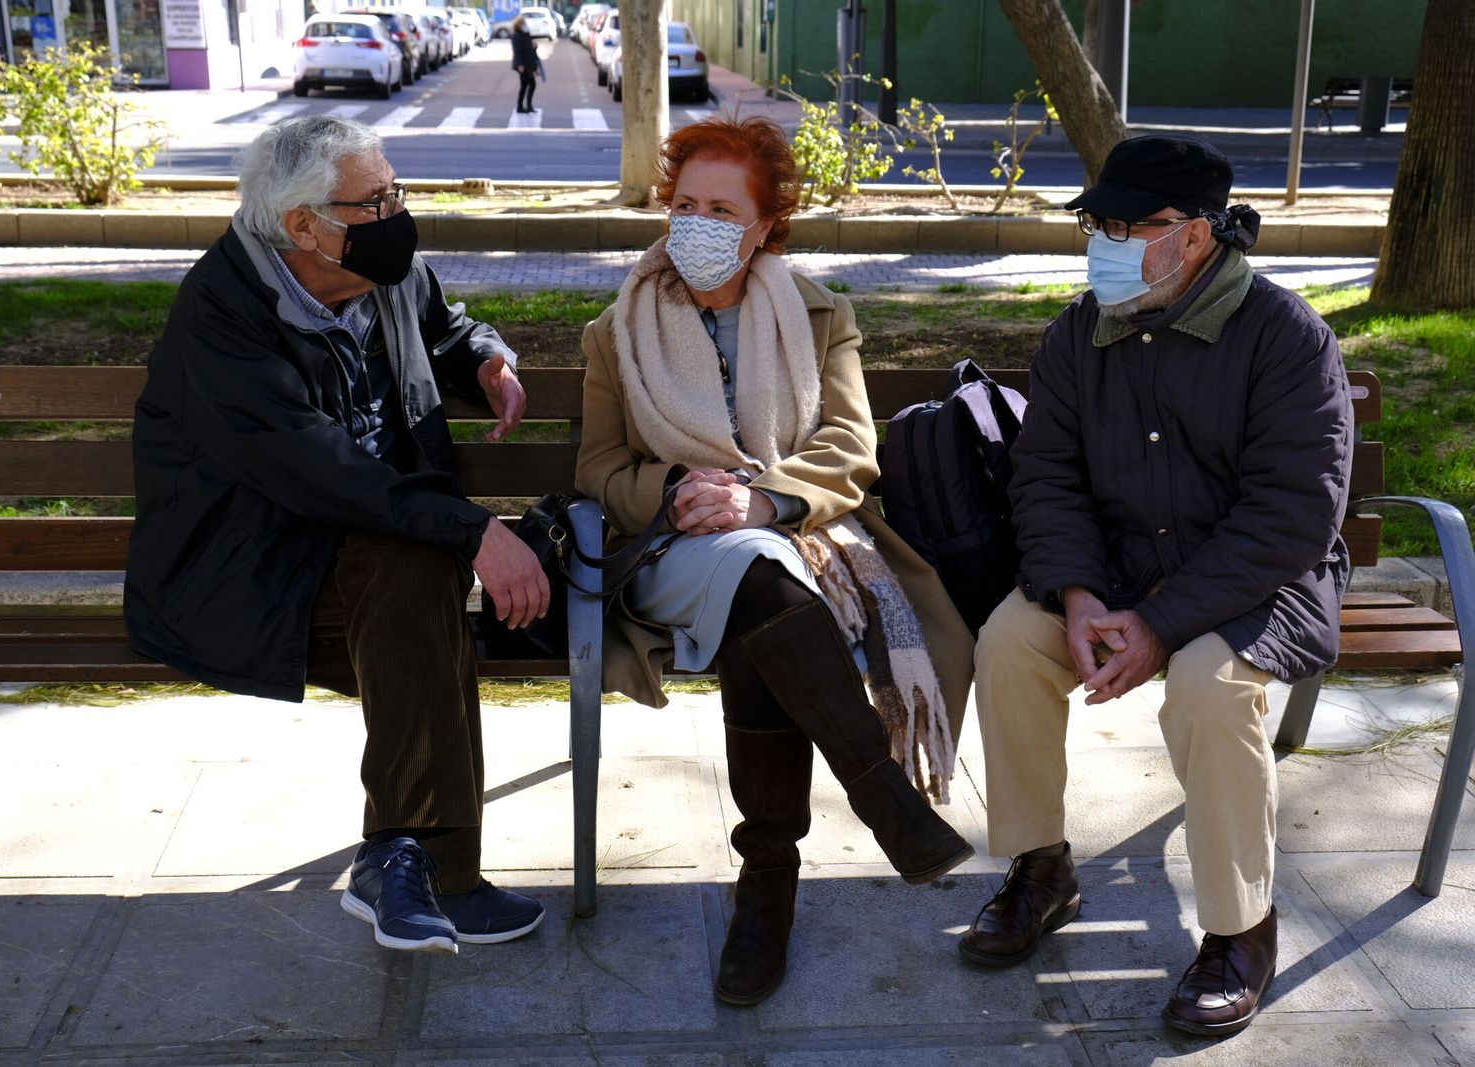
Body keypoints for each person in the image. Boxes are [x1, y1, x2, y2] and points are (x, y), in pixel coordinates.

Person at [575, 116, 977, 1006]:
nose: (696, 223)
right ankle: (883, 801)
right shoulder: (617, 329)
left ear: (765, 226)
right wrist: (677, 486)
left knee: (765, 591)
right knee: (762, 578)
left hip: (795, 539)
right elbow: (598, 469)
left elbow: (849, 444)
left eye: (723, 208)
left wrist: (764, 498)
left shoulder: (821, 312)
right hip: (671, 551)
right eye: (684, 204)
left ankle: (768, 889)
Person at [124, 116, 549, 957]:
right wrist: (475, 531)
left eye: (396, 190)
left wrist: (486, 361)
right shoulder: (223, 312)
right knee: (421, 581)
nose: (398, 212)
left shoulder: (377, 267)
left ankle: (405, 861)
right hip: (257, 576)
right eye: (376, 199)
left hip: (375, 558)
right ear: (303, 226)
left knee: (416, 574)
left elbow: (444, 324)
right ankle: (439, 872)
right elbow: (318, 469)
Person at [961, 134, 1352, 1036]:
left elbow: (1293, 516)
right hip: (1116, 573)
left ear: (1199, 236)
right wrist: (1075, 595)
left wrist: (1163, 623)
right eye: (1101, 220)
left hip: (1259, 581)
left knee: (1209, 687)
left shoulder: (1286, 337)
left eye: (1135, 224)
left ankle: (1239, 926)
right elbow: (1046, 478)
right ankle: (1041, 865)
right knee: (1009, 646)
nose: (1108, 238)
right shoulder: (1075, 334)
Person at [510, 19, 538, 114]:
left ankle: (526, 106)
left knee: (529, 85)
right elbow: (517, 52)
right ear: (519, 25)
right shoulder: (517, 36)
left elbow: (528, 48)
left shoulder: (526, 34)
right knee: (527, 85)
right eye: (523, 24)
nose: (525, 25)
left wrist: (534, 46)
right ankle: (521, 106)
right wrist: (520, 65)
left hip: (529, 64)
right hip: (523, 65)